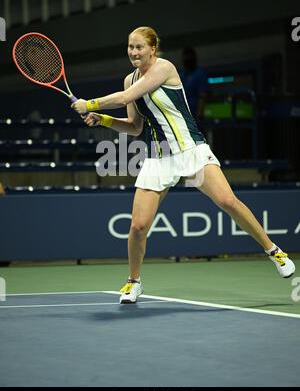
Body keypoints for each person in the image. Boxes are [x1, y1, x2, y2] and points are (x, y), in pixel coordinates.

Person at [72, 26, 295, 304]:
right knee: (138, 227)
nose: (134, 52)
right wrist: (103, 119)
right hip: (158, 156)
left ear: (153, 48)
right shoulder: (129, 80)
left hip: (190, 149)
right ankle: (133, 282)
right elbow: (134, 126)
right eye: (130, 47)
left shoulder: (164, 68)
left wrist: (90, 104)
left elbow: (126, 98)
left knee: (227, 201)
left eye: (139, 47)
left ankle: (274, 251)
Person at [180, 47, 209, 120]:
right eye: (186, 59)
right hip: (183, 110)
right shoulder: (182, 73)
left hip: (195, 111)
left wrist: (199, 112)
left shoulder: (200, 73)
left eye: (190, 59)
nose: (188, 61)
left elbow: (203, 94)